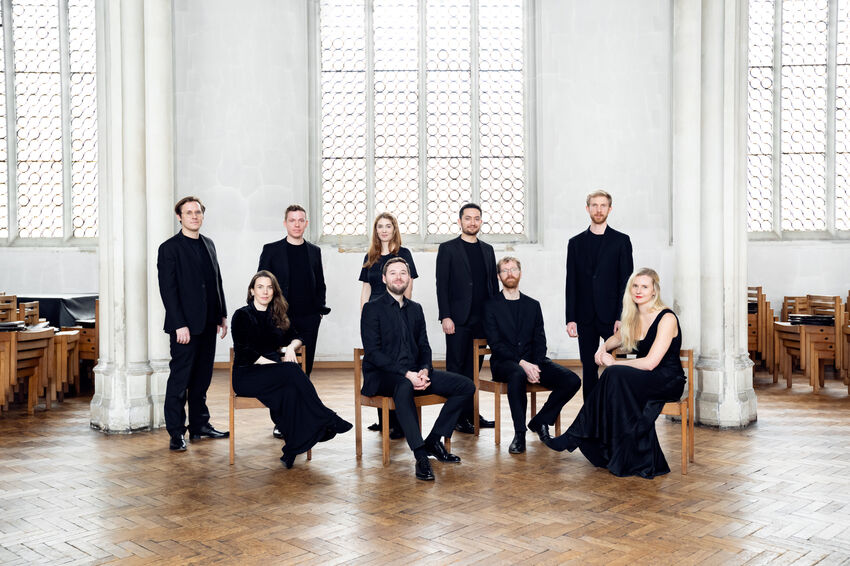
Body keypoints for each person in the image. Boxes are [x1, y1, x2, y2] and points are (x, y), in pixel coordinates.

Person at [546, 268, 686, 479]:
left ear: (654, 291)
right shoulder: (634, 316)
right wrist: (602, 348)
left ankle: (576, 435)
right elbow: (616, 338)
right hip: (644, 378)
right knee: (614, 378)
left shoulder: (667, 318)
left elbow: (651, 363)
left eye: (644, 286)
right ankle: (588, 440)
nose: (638, 291)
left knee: (614, 374)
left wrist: (614, 363)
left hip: (667, 379)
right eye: (635, 286)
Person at [361, 257, 475, 481]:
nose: (398, 277)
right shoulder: (372, 308)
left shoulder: (416, 309)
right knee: (404, 386)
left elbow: (424, 346)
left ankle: (434, 440)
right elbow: (373, 353)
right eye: (393, 273)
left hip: (415, 372)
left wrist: (424, 369)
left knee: (465, 386)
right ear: (384, 279)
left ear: (409, 279)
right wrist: (407, 374)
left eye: (403, 273)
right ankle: (421, 455)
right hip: (383, 375)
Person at [231, 271, 351, 468]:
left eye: (269, 287)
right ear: (252, 291)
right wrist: (279, 367)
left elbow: (298, 336)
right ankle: (326, 417)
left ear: (274, 291)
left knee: (289, 393)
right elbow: (245, 352)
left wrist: (290, 349)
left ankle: (291, 451)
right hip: (247, 375)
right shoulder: (242, 315)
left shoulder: (277, 316)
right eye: (260, 287)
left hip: (273, 376)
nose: (265, 291)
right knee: (292, 371)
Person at [483, 257, 581, 454]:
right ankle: (520, 434)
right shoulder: (490, 305)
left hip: (534, 361)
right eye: (505, 270)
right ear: (498, 276)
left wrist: (534, 365)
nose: (510, 274)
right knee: (517, 374)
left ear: (520, 273)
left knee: (572, 380)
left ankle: (541, 420)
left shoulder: (533, 305)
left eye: (513, 269)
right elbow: (496, 344)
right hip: (505, 363)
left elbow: (540, 340)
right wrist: (523, 364)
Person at [157, 196, 229, 452]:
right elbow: (168, 290)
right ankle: (176, 432)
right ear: (179, 217)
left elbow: (216, 281)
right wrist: (179, 324)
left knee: (202, 379)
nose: (194, 216)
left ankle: (200, 425)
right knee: (180, 381)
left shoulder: (209, 244)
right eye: (188, 213)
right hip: (184, 327)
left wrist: (222, 314)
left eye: (197, 212)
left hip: (208, 323)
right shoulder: (169, 248)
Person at [258, 204, 330, 439]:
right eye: (292, 220)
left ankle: (299, 417)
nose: (297, 224)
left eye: (301, 220)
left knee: (304, 370)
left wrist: (319, 311)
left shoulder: (314, 251)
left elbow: (320, 283)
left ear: (306, 224)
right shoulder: (271, 250)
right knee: (280, 369)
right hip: (280, 318)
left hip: (309, 319)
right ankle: (281, 421)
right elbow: (261, 284)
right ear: (285, 223)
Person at [435, 203, 499, 433]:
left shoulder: (488, 250)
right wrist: (445, 316)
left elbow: (493, 285)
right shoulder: (448, 248)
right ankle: (456, 417)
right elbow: (442, 285)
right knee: (456, 370)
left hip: (482, 321)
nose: (472, 222)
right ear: (460, 221)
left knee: (474, 370)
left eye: (476, 218)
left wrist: (496, 318)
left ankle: (471, 414)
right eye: (468, 218)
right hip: (458, 320)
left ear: (481, 221)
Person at [565, 190, 633, 401]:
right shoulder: (575, 243)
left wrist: (621, 316)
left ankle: (614, 410)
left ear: (610, 209)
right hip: (585, 316)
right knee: (588, 367)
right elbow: (571, 283)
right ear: (587, 209)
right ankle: (590, 414)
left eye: (603, 205)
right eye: (594, 205)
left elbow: (626, 282)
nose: (598, 209)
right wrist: (570, 318)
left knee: (616, 367)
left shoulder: (621, 241)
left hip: (612, 316)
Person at [359, 212, 418, 439]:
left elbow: (408, 285)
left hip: (395, 313)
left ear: (394, 229)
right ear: (376, 231)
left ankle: (399, 421)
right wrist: (363, 316)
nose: (384, 230)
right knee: (378, 362)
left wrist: (403, 311)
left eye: (388, 226)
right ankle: (383, 418)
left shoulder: (404, 254)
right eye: (380, 226)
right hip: (374, 317)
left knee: (397, 361)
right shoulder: (371, 256)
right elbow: (366, 288)